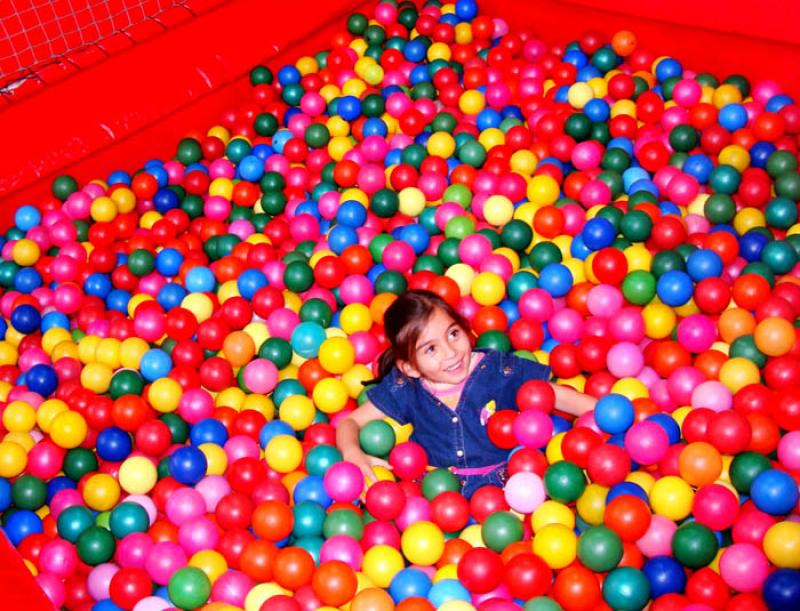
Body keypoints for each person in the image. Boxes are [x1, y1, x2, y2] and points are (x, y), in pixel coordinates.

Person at [336, 289, 597, 498]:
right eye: (430, 349)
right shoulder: (405, 387)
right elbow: (349, 422)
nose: (450, 353)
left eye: (453, 333)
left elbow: (553, 395)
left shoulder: (498, 370)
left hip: (511, 489)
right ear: (410, 367)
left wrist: (606, 416)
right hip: (435, 494)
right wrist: (352, 453)